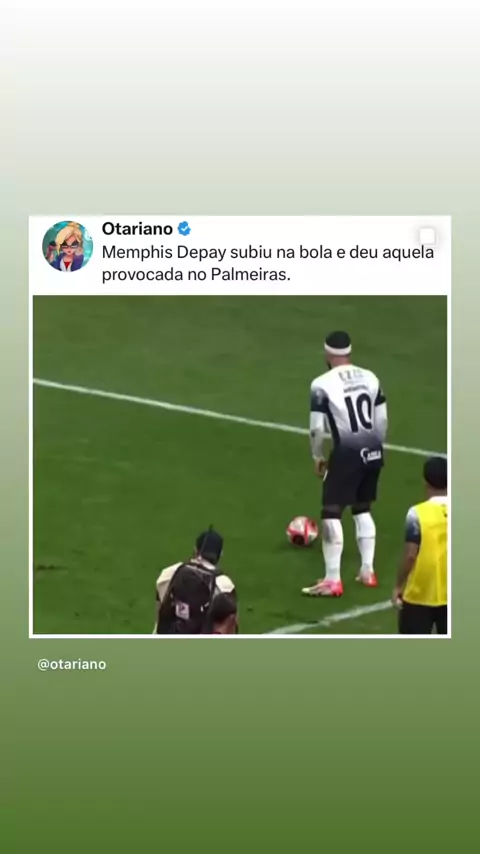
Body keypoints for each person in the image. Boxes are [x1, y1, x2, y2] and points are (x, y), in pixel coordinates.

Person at [302, 330, 388, 597]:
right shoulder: (371, 377)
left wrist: (318, 455)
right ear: (349, 352)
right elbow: (382, 419)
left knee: (331, 512)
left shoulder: (321, 384)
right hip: (373, 449)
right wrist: (376, 446)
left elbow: (317, 428)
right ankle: (367, 571)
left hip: (347, 453)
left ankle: (332, 579)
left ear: (327, 354)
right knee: (363, 508)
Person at [392, 456, 448, 635]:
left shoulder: (417, 513)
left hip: (420, 593)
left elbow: (410, 555)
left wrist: (398, 585)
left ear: (425, 482)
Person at [153, 529, 236, 634]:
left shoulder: (168, 574)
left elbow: (160, 617)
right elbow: (228, 630)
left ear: (195, 550)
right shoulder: (224, 586)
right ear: (221, 554)